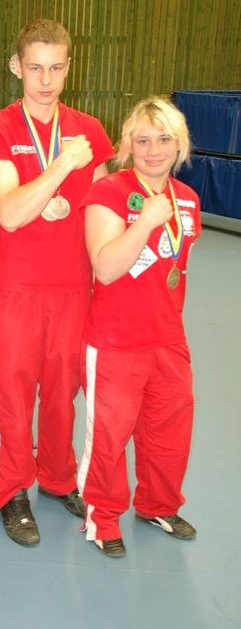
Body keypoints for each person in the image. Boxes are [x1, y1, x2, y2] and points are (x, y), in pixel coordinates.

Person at [0, 19, 114, 546]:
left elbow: (102, 210)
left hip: (75, 290)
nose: (46, 80)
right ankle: (11, 490)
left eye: (56, 68)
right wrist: (59, 168)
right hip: (16, 291)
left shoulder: (91, 130)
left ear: (69, 67)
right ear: (16, 67)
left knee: (61, 395)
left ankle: (56, 478)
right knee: (11, 394)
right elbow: (8, 212)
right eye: (35, 68)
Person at [77, 96, 201, 558]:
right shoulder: (108, 191)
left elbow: (174, 266)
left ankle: (158, 505)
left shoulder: (187, 200)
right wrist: (145, 222)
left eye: (164, 139)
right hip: (115, 341)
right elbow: (106, 267)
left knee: (170, 431)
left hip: (168, 338)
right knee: (109, 436)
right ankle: (103, 516)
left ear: (179, 145)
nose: (154, 150)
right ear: (127, 145)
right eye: (143, 140)